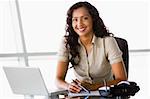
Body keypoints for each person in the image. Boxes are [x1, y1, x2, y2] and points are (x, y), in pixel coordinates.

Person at [55, 1, 127, 93]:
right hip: (80, 94)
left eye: (85, 18)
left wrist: (94, 86)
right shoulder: (66, 42)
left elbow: (122, 79)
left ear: (93, 19)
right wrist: (68, 86)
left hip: (105, 95)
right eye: (75, 20)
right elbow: (58, 80)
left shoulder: (108, 41)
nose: (79, 24)